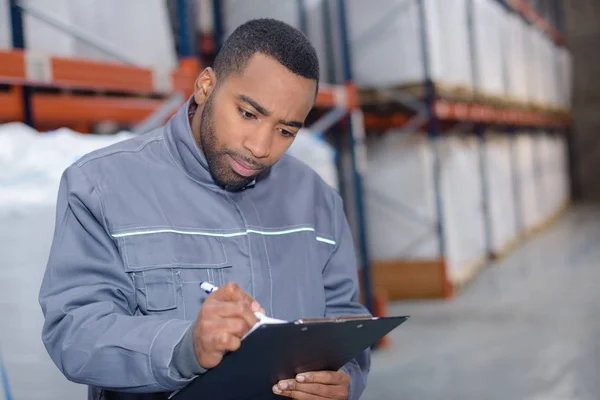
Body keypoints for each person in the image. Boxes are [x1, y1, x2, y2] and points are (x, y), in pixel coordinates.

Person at [39, 18, 370, 400]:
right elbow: (75, 334)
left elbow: (346, 321)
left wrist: (344, 379)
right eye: (248, 113)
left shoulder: (318, 202)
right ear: (206, 86)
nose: (261, 147)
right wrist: (185, 347)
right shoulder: (101, 186)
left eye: (286, 131)